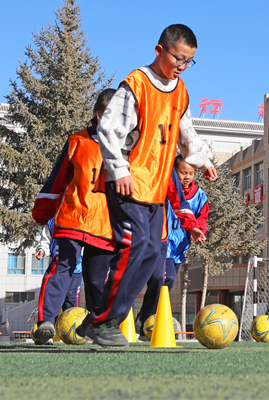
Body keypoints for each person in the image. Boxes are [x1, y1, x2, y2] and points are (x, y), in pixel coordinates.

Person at [80, 24, 217, 347]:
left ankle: (100, 318)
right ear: (159, 51)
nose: (183, 66)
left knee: (153, 251)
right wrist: (119, 170)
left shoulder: (180, 91)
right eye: (178, 58)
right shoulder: (137, 84)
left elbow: (185, 132)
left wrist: (203, 160)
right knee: (136, 244)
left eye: (189, 61)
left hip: (155, 187)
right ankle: (103, 320)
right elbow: (109, 130)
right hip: (128, 182)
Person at [30, 89, 118, 345]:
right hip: (72, 217)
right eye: (105, 114)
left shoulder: (128, 147)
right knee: (62, 267)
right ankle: (45, 323)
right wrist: (44, 210)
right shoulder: (77, 141)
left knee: (96, 279)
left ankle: (98, 327)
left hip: (105, 225)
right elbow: (57, 179)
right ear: (97, 113)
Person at [136, 155, 209, 335]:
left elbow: (202, 217)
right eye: (183, 173)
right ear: (174, 172)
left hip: (179, 247)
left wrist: (199, 230)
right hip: (163, 242)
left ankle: (145, 320)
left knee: (167, 281)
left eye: (191, 173)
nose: (187, 177)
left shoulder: (199, 195)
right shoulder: (166, 189)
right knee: (163, 278)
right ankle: (147, 320)